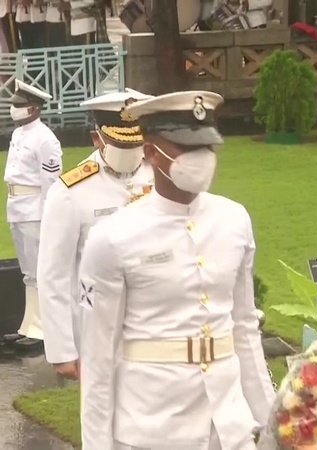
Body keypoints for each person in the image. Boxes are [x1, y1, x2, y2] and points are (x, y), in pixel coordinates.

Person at [78, 90, 276, 450]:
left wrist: (272, 422)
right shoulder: (113, 237)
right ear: (152, 151)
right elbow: (98, 356)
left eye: (207, 148)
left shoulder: (233, 220)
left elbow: (245, 327)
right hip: (153, 427)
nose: (202, 159)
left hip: (228, 426)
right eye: (187, 148)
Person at [37, 89, 155, 381]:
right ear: (97, 139)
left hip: (156, 323)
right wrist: (62, 349)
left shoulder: (159, 177)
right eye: (119, 144)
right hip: (98, 328)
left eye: (135, 144)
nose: (129, 153)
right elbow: (53, 274)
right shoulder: (70, 192)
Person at [3, 79, 62, 350]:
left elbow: (51, 182)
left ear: (34, 108)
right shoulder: (18, 134)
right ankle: (30, 324)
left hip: (35, 208)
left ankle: (44, 329)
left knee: (40, 271)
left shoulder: (45, 138)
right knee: (28, 272)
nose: (15, 109)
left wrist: (50, 214)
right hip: (16, 204)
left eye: (21, 106)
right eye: (14, 104)